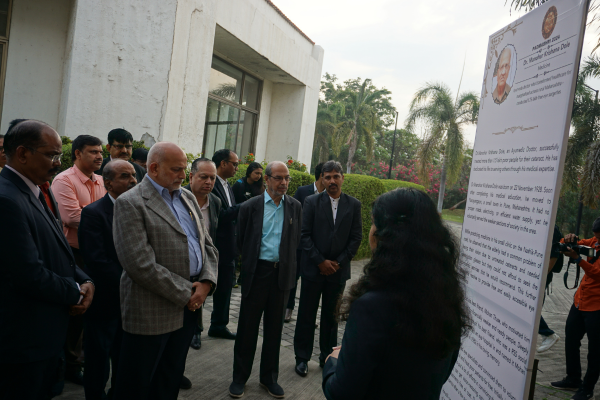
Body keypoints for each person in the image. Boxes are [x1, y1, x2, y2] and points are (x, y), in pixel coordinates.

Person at [321, 188, 470, 399]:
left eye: (374, 223)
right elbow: (442, 372)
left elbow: (341, 393)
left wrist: (333, 362)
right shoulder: (446, 294)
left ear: (385, 236)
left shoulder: (371, 307)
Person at [112, 142, 218, 400]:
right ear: (154, 168)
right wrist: (188, 294)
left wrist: (205, 283)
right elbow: (139, 264)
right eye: (177, 169)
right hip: (151, 310)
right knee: (136, 384)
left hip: (189, 307)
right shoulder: (131, 202)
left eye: (184, 169)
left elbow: (207, 245)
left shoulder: (187, 196)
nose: (183, 175)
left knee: (169, 379)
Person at [0, 119, 95, 400]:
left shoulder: (35, 190)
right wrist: (74, 292)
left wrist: (84, 279)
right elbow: (26, 273)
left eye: (58, 156)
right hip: (23, 342)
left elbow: (58, 249)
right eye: (51, 155)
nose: (57, 162)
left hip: (45, 337)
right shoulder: (7, 200)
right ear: (22, 153)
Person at [229, 161, 302, 399]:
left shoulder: (295, 206)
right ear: (267, 179)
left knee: (274, 329)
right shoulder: (250, 206)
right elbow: (240, 240)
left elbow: (296, 242)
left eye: (287, 178)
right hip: (257, 272)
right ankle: (239, 378)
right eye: (279, 178)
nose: (284, 183)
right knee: (247, 328)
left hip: (281, 275)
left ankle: (269, 378)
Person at [294, 161, 362, 377]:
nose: (332, 180)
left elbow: (356, 238)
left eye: (336, 176)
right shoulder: (311, 202)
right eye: (328, 177)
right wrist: (320, 262)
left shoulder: (354, 205)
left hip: (338, 272)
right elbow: (304, 235)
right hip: (314, 270)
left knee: (331, 318)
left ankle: (327, 357)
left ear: (343, 178)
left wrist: (337, 263)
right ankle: (301, 358)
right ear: (322, 179)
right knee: (306, 314)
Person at [78, 160, 137, 399]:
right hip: (105, 300)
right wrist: (132, 281)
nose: (133, 181)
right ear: (108, 183)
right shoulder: (94, 213)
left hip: (133, 302)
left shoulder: (139, 209)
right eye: (125, 176)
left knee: (125, 356)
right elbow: (96, 261)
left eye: (134, 175)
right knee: (98, 357)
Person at [52, 134, 107, 384]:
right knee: (76, 310)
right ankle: (70, 365)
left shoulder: (103, 181)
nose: (99, 156)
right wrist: (105, 222)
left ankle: (82, 359)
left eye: (100, 152)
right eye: (93, 151)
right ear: (77, 154)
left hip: (100, 254)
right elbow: (72, 217)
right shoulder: (64, 180)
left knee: (95, 311)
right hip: (75, 255)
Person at [551, 219, 600, 400]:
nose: (597, 241)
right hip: (580, 301)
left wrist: (578, 259)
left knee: (595, 351)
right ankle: (573, 379)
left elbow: (596, 273)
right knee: (571, 339)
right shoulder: (594, 243)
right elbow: (566, 244)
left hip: (597, 307)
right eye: (596, 237)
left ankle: (587, 389)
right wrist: (570, 239)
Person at [185, 158, 222, 350]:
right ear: (191, 177)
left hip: (204, 258)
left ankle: (196, 331)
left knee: (199, 296)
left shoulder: (215, 202)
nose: (209, 182)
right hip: (182, 260)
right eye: (204, 177)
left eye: (212, 178)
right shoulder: (178, 197)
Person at [285, 161, 325, 323]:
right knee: (293, 278)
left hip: (318, 248)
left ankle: (309, 316)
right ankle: (288, 309)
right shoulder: (303, 191)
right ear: (321, 176)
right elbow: (292, 214)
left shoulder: (331, 195)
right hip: (300, 244)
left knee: (313, 283)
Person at [209, 149, 241, 340]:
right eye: (235, 164)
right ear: (223, 164)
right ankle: (195, 330)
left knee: (225, 289)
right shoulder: (211, 185)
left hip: (229, 248)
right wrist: (244, 206)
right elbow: (220, 216)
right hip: (213, 246)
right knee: (204, 287)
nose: (237, 167)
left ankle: (219, 325)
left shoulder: (228, 186)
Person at [537, 224, 564, 353]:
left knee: (532, 310)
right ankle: (546, 334)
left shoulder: (551, 227)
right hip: (531, 272)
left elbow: (554, 254)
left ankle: (548, 334)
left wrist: (542, 277)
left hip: (540, 276)